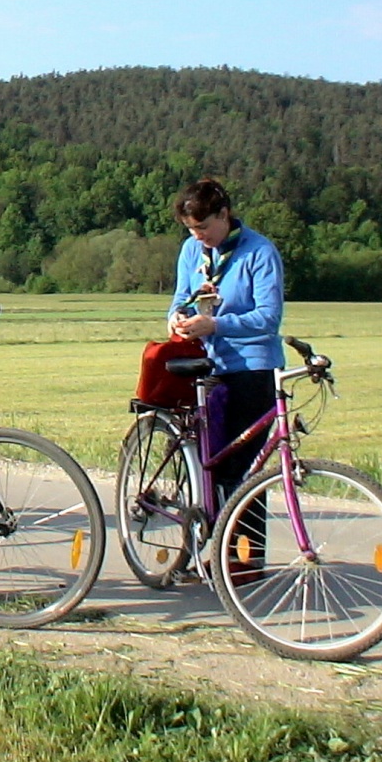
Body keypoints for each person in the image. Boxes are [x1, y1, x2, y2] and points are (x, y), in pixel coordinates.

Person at [167, 177, 284, 581]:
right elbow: (180, 297)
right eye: (191, 230)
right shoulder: (190, 251)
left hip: (251, 368)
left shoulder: (259, 252)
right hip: (206, 368)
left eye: (204, 228)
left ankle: (246, 561)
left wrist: (216, 324)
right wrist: (177, 320)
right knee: (207, 466)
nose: (199, 237)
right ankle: (205, 550)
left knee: (245, 470)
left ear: (224, 215)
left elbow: (268, 319)